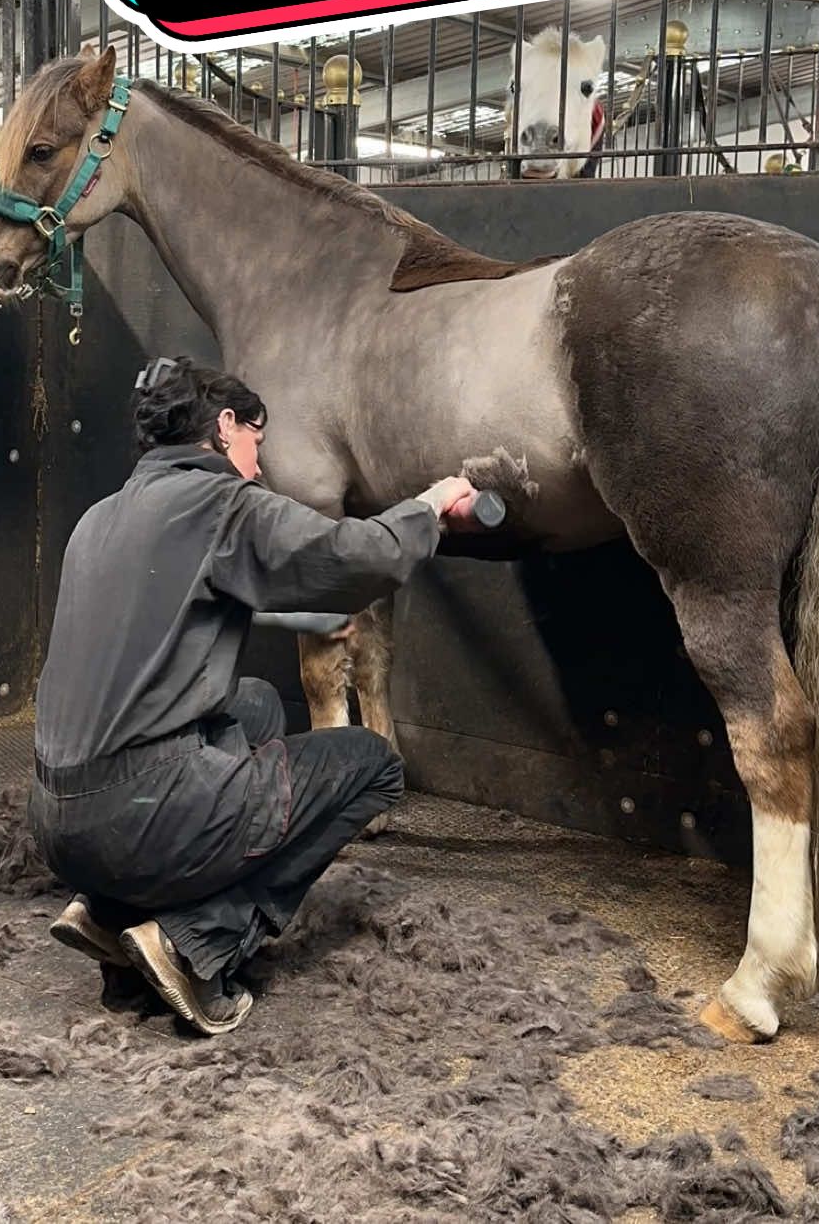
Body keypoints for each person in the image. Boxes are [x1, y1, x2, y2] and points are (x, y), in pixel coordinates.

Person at [29, 354, 483, 1036]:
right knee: (371, 763)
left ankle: (111, 913)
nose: (260, 465)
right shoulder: (221, 503)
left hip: (60, 822)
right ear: (225, 424)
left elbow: (181, 607)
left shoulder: (101, 517)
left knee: (258, 705)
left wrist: (305, 614)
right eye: (256, 443)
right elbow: (353, 555)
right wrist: (430, 507)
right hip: (143, 819)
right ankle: (198, 939)